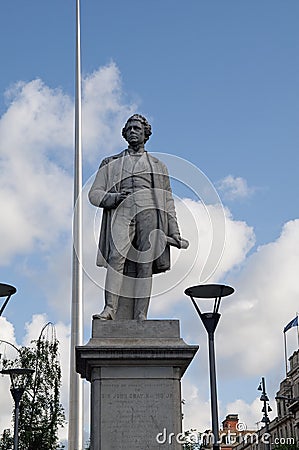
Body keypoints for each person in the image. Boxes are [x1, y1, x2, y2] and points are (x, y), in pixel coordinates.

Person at [89, 114, 188, 320]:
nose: (133, 132)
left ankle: (141, 314)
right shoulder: (110, 163)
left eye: (137, 129)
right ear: (124, 134)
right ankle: (109, 309)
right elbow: (94, 194)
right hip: (122, 210)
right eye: (130, 129)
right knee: (116, 258)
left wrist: (175, 231)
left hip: (150, 213)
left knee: (145, 263)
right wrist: (113, 198)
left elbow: (168, 201)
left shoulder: (158, 166)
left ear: (146, 134)